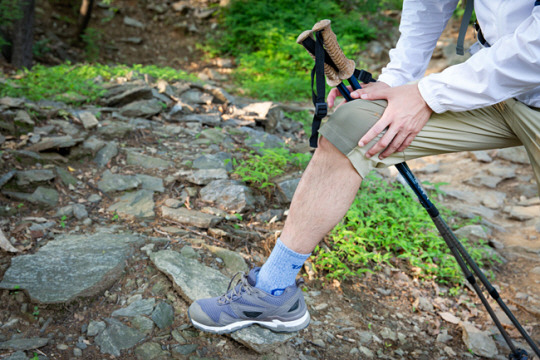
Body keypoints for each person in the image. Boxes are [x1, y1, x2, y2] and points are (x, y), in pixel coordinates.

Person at [188, 0, 540, 334]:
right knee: (354, 124)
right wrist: (395, 82)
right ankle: (273, 290)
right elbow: (428, 7)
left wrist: (427, 94)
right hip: (494, 87)